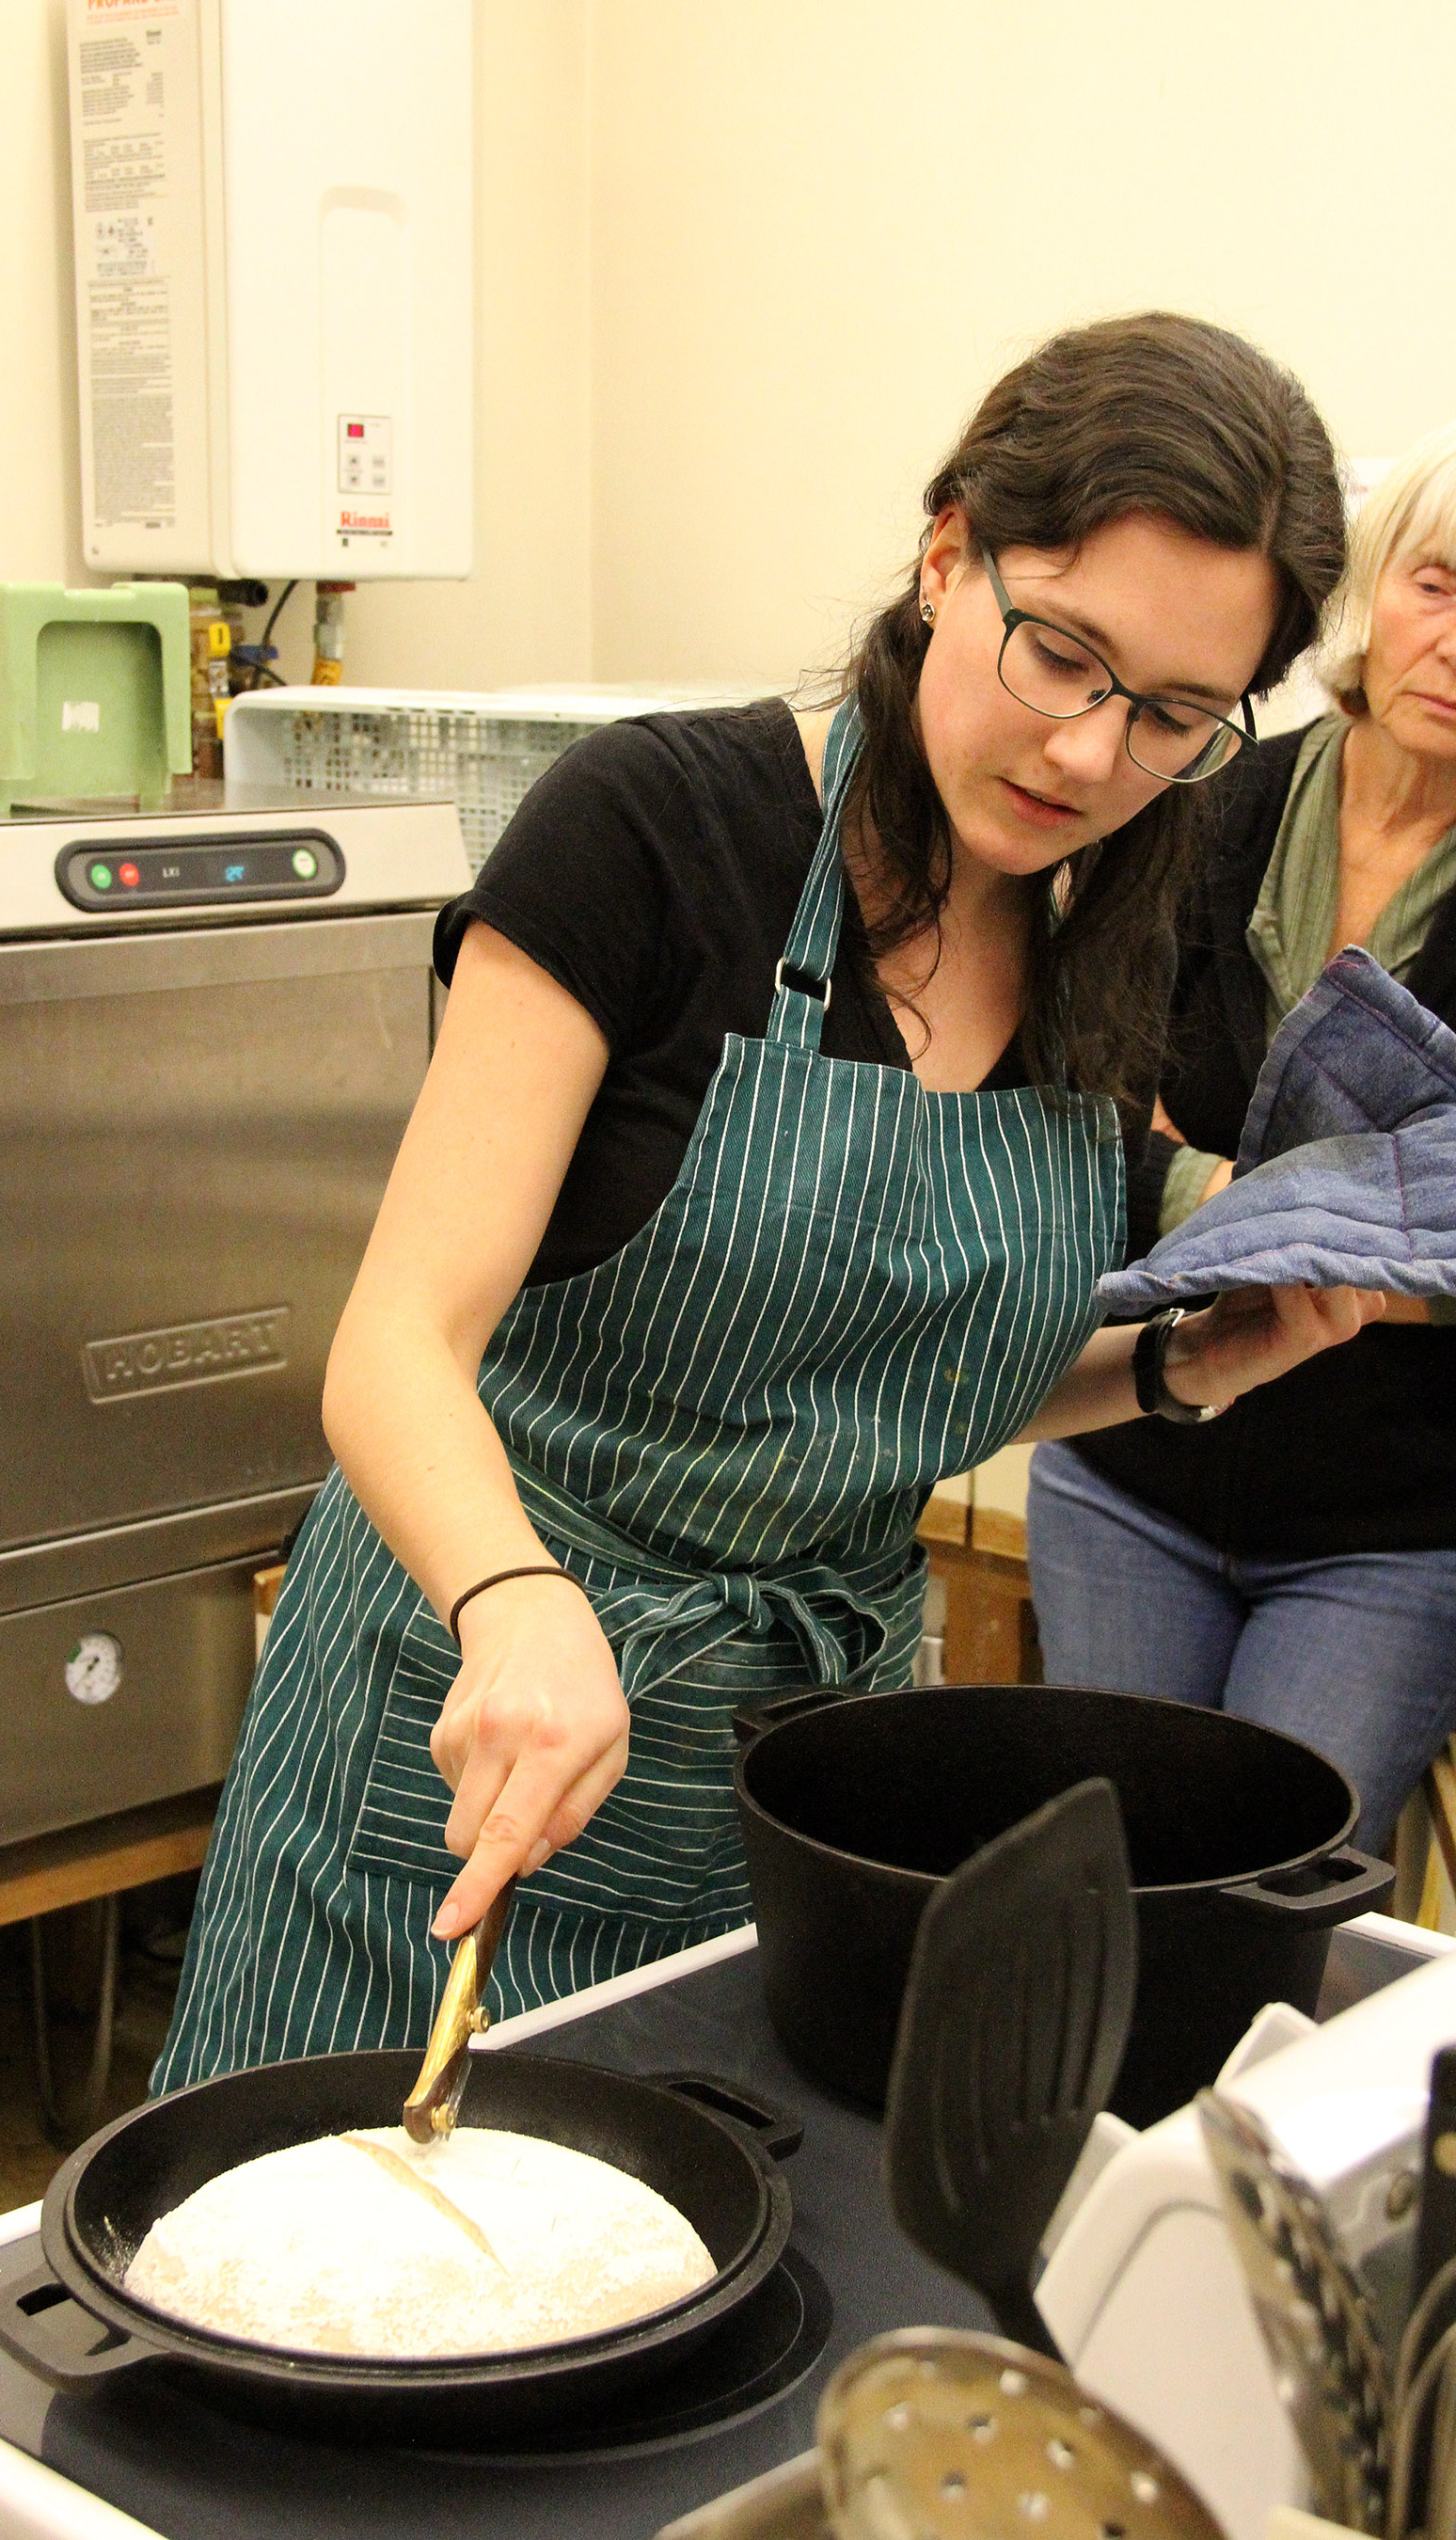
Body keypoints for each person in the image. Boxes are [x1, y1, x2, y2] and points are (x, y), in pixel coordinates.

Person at [156, 313, 1375, 2092]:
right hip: (464, 1740)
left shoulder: (1109, 933)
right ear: (948, 552)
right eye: (1061, 655)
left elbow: (885, 1395)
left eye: (1175, 717)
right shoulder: (657, 832)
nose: (1089, 756)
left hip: (798, 1783)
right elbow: (396, 1344)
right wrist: (511, 1599)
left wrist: (1187, 1368)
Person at [1026, 423, 1456, 1857]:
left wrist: (1207, 1202)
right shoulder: (1204, 802)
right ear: (1375, 586)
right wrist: (1336, 1219)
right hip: (1126, 1457)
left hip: (1393, 1525)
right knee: (1107, 1871)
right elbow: (1078, 1086)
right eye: (1440, 586)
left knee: (1273, 1889)